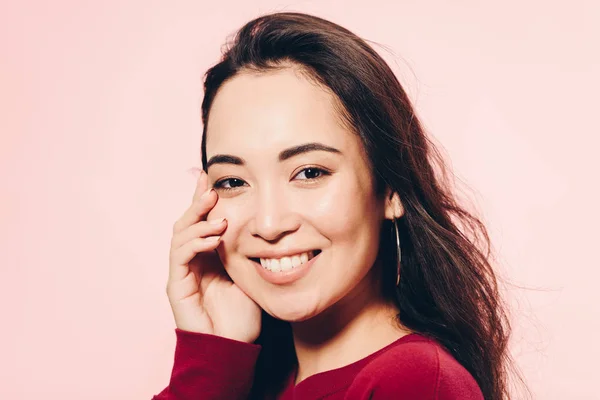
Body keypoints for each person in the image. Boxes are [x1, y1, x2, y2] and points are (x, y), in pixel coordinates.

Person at [153, 12, 521, 400]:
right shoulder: (261, 380)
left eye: (310, 172)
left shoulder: (412, 383)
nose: (269, 222)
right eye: (233, 181)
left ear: (391, 187)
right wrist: (212, 359)